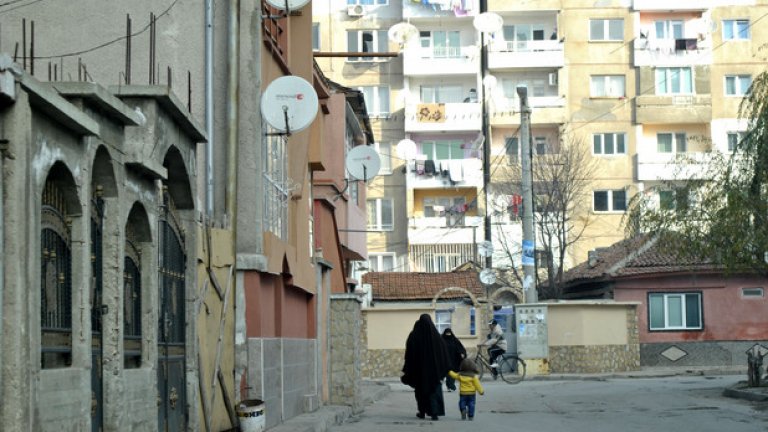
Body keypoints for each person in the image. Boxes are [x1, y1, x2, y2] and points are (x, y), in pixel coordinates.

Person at [401, 314, 451, 421]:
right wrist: (442, 370)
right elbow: (444, 355)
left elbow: (409, 354)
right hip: (434, 373)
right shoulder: (437, 338)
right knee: (434, 392)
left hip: (419, 372)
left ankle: (422, 412)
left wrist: (409, 369)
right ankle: (435, 413)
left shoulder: (414, 335)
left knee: (421, 392)